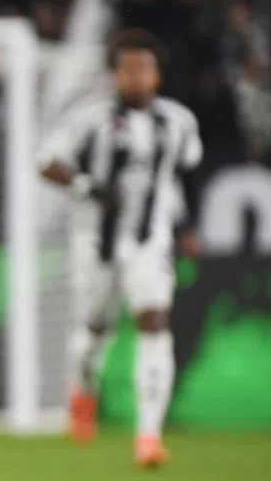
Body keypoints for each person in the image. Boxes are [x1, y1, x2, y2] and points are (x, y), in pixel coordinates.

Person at [38, 29, 202, 468]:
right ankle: (83, 387)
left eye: (143, 68)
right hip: (96, 242)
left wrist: (188, 226)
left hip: (150, 241)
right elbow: (47, 163)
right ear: (114, 74)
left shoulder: (179, 122)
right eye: (127, 69)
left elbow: (186, 174)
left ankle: (148, 436)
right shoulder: (88, 119)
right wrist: (88, 186)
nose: (135, 77)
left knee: (154, 321)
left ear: (157, 75)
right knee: (95, 329)